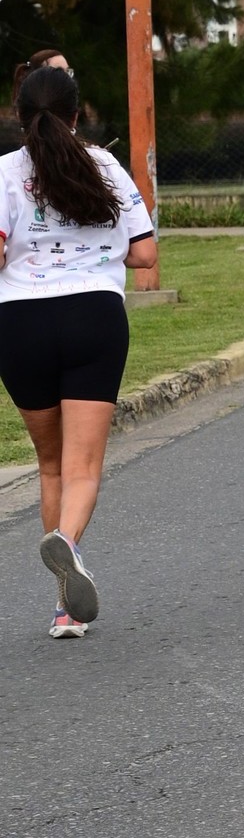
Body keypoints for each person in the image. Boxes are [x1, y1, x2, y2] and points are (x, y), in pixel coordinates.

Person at [0, 66, 156, 637]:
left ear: (20, 117)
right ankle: (66, 553)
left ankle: (63, 604)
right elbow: (144, 254)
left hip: (20, 323)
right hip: (93, 317)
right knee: (83, 465)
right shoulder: (105, 165)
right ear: (76, 114)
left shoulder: (3, 174)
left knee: (50, 462)